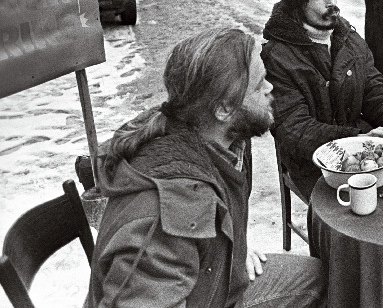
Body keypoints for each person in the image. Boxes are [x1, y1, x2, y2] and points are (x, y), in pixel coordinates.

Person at [85, 28, 326, 308]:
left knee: (320, 278)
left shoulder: (220, 139)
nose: (270, 88)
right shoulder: (174, 210)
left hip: (214, 288)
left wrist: (229, 252)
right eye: (259, 84)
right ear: (223, 109)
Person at [262, 0, 383, 201]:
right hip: (313, 162)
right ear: (299, 5)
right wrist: (356, 141)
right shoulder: (278, 56)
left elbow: (375, 91)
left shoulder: (348, 38)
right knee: (361, 210)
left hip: (361, 146)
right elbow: (294, 129)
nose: (331, 3)